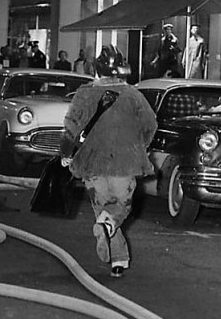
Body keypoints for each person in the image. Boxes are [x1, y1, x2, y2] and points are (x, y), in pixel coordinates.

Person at [58, 75, 158, 276]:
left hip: (91, 162)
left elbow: (70, 127)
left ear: (97, 72)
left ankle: (118, 260)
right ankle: (112, 234)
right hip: (125, 162)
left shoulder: (85, 93)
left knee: (103, 209)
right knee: (120, 206)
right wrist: (139, 147)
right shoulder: (133, 95)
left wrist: (65, 153)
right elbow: (150, 125)